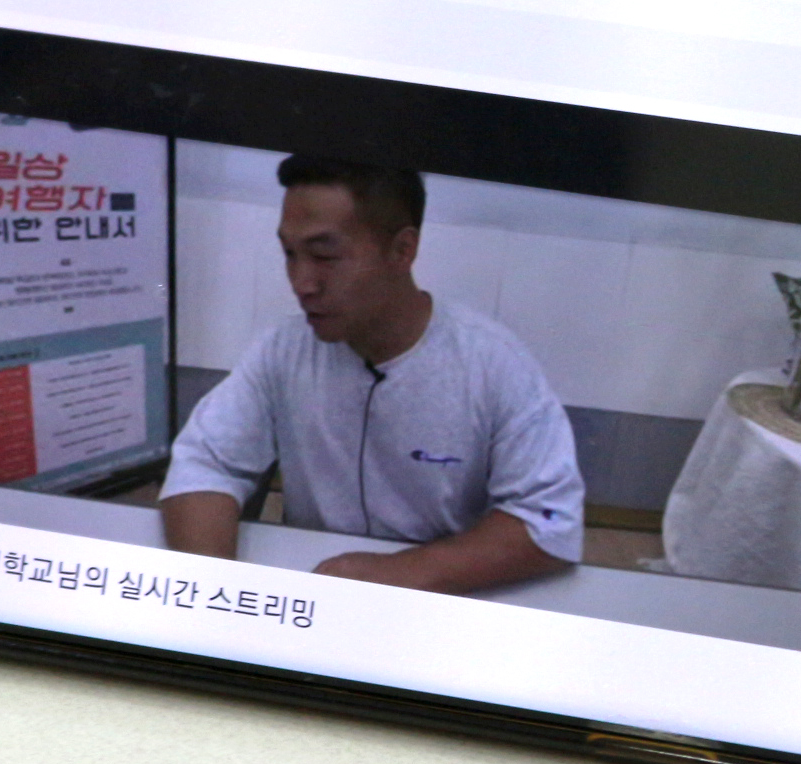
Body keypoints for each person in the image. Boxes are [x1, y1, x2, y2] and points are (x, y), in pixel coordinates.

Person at [159, 155, 585, 593]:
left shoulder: (493, 364)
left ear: (403, 250)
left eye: (324, 255)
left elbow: (549, 520)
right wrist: (216, 595)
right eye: (290, 254)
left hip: (446, 594)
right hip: (314, 591)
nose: (302, 283)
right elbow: (204, 464)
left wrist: (405, 572)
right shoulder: (283, 351)